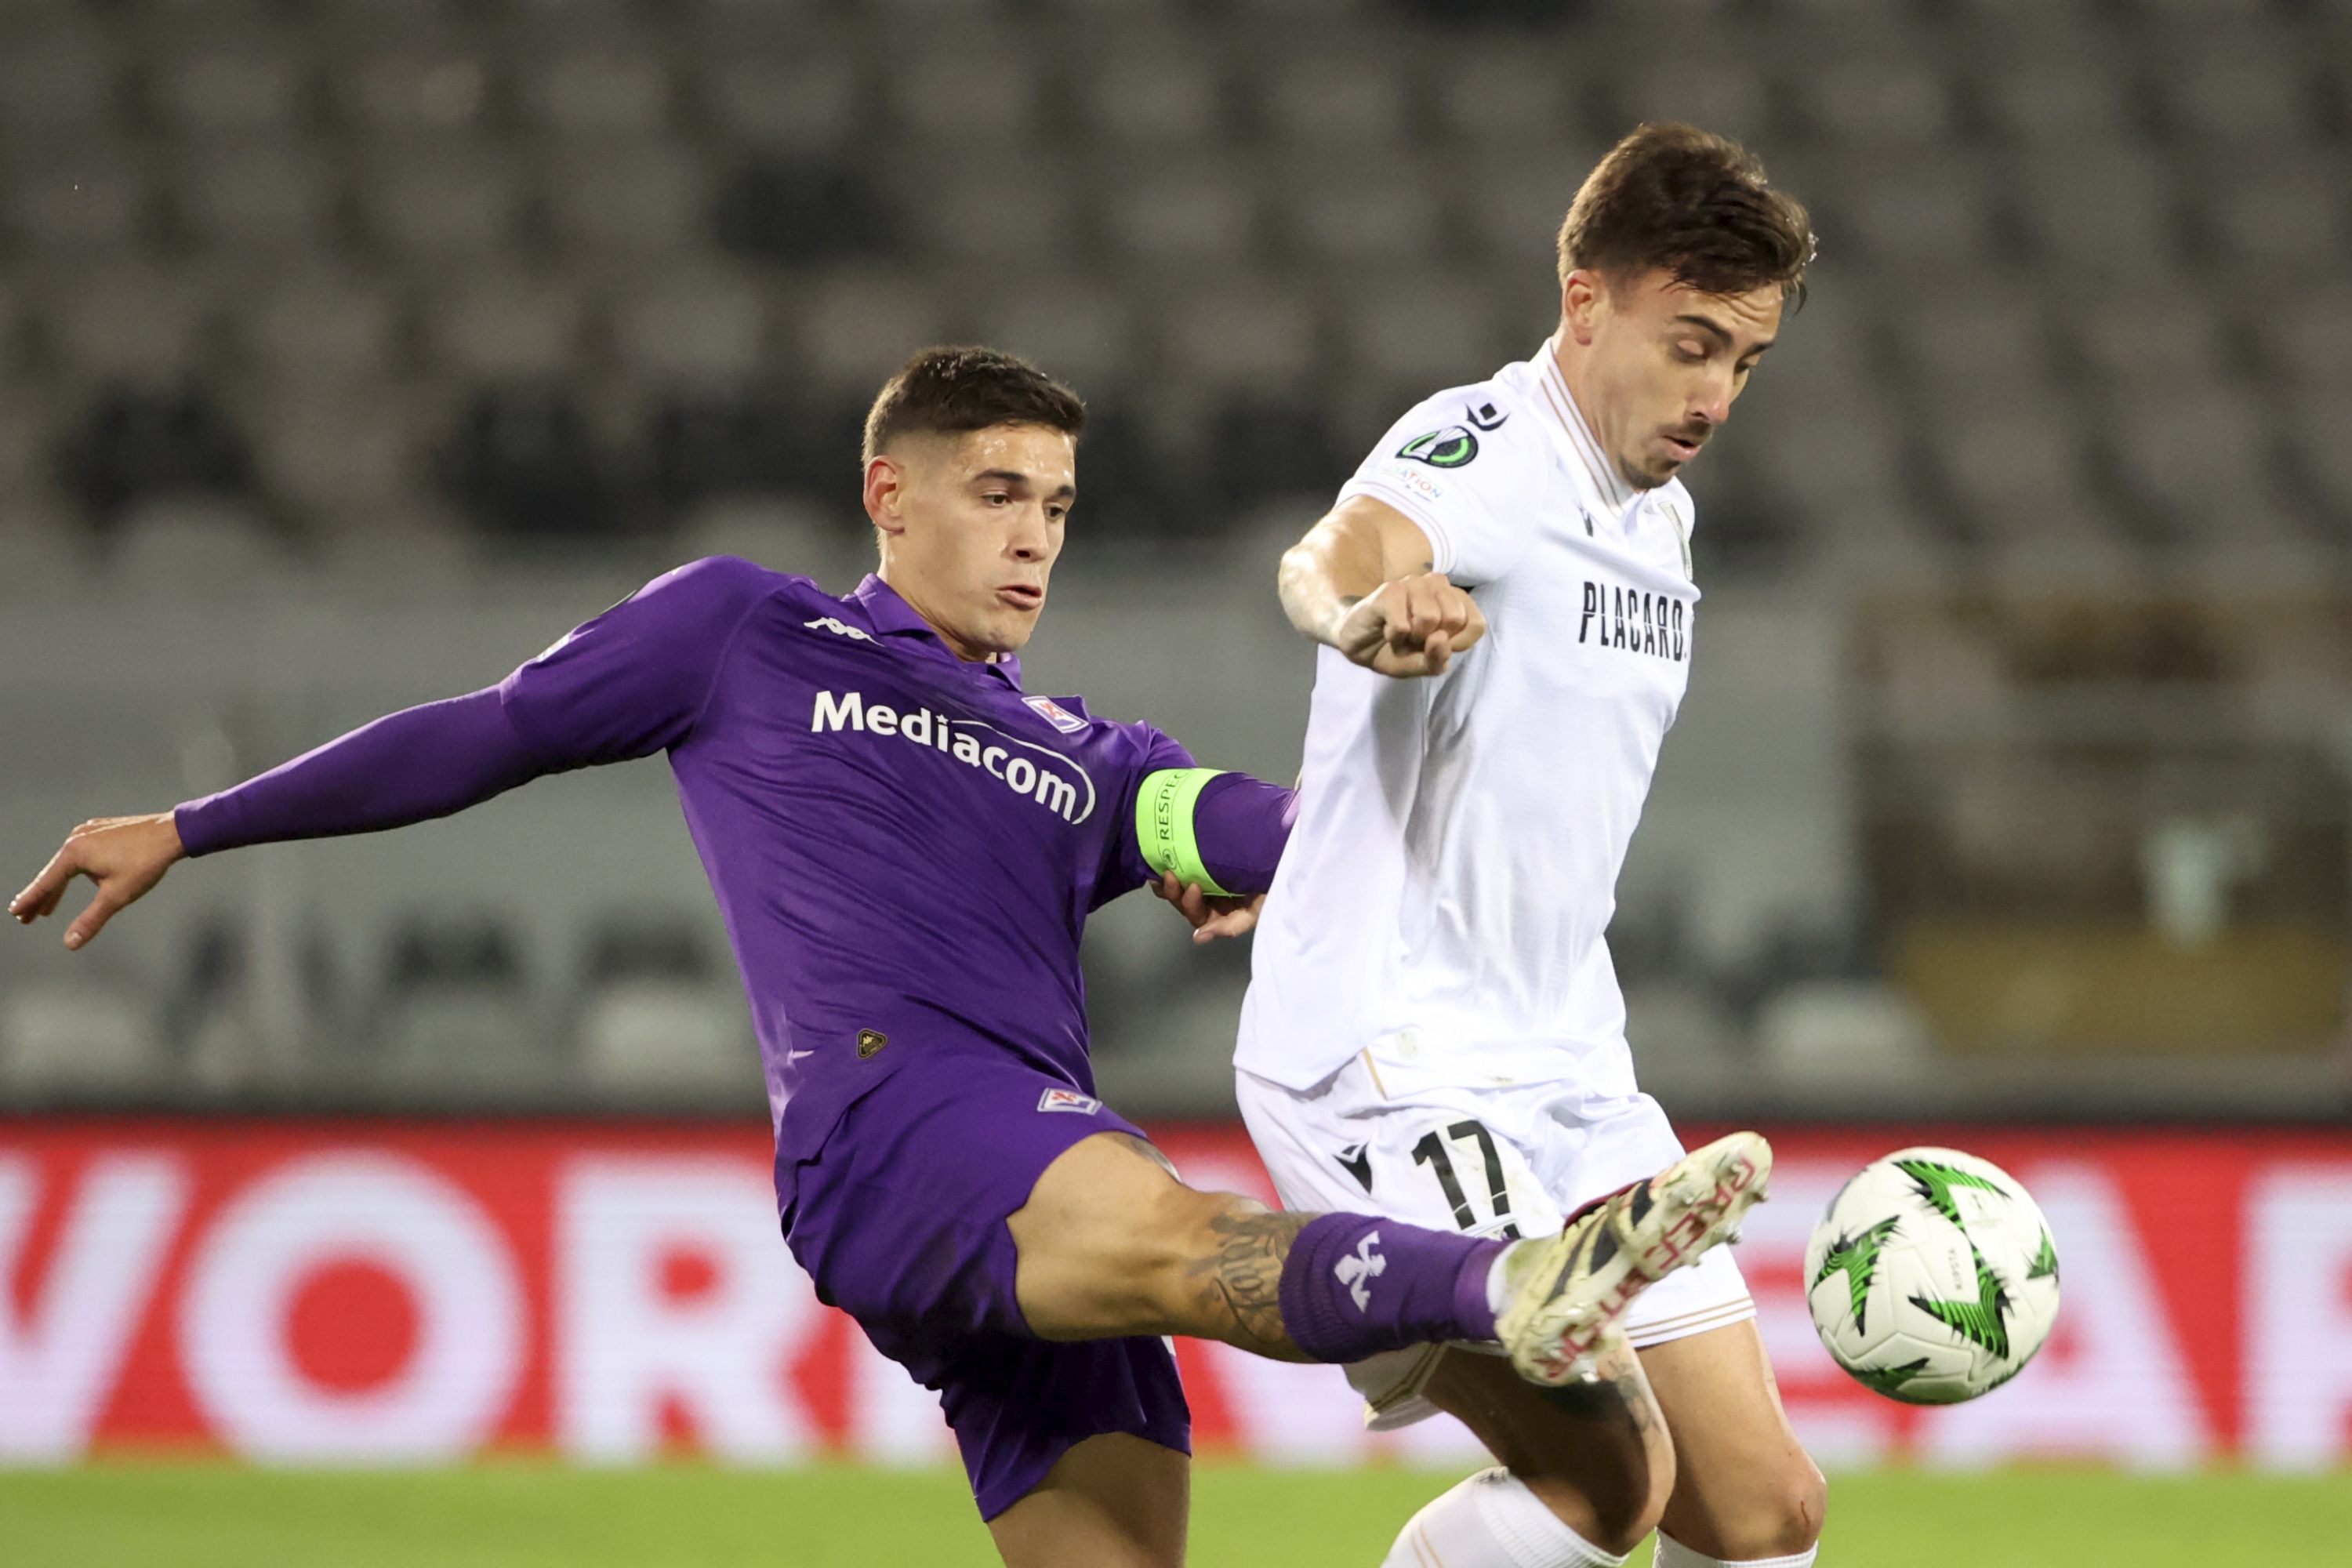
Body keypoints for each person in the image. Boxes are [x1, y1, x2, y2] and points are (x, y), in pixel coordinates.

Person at [12, 347, 1769, 1568]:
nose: (1033, 536)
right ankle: (1498, 1284)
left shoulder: (1088, 755)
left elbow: (1261, 830)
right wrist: (197, 825)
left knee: (1596, 1480)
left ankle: (1508, 1304)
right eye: (998, 493)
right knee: (1173, 1235)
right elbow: (486, 733)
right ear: (889, 496)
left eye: (1061, 505)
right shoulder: (747, 634)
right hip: (905, 1125)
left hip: (1003, 1184)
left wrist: (1434, 761)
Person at [1232, 125, 1828, 1568]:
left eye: (1743, 362)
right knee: (1601, 1489)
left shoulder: (1663, 523)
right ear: (1584, 300)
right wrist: (1364, 613)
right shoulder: (1492, 447)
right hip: (1388, 1063)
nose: (1715, 397)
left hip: (1567, 1063)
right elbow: (1342, 546)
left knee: (1761, 1516)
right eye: (1691, 345)